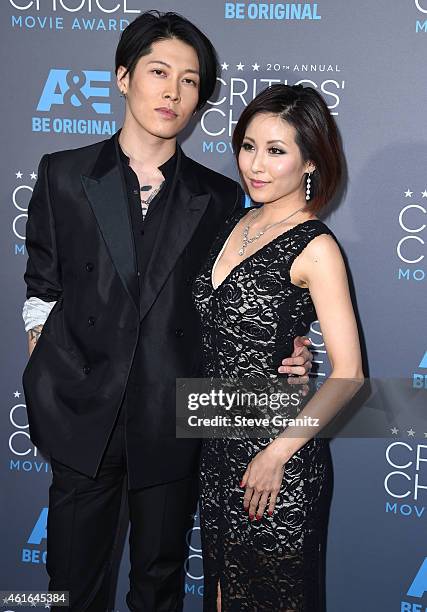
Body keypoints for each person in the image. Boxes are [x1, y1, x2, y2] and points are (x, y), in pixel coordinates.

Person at [22, 12, 313, 612]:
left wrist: (287, 347)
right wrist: (53, 374)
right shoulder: (63, 174)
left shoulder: (220, 195)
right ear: (125, 77)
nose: (173, 91)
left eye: (189, 80)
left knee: (160, 587)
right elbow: (41, 288)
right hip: (83, 418)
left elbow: (235, 298)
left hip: (174, 419)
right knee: (67, 589)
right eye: (159, 72)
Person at [193, 83, 364, 611]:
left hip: (278, 462)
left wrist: (277, 454)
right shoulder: (232, 222)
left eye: (276, 150)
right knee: (221, 595)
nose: (256, 165)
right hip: (217, 445)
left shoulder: (316, 247)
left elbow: (350, 373)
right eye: (248, 146)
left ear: (309, 162)